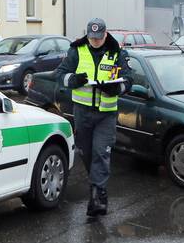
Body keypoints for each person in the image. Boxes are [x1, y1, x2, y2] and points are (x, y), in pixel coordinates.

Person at [54, 17, 131, 217]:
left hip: (106, 114)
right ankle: (97, 184)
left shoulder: (117, 53)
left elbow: (129, 80)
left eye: (99, 37)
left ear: (105, 34)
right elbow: (60, 74)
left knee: (100, 153)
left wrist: (118, 88)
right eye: (92, 38)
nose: (95, 41)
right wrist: (73, 79)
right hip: (82, 112)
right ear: (87, 35)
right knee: (86, 153)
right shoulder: (77, 51)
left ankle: (98, 198)